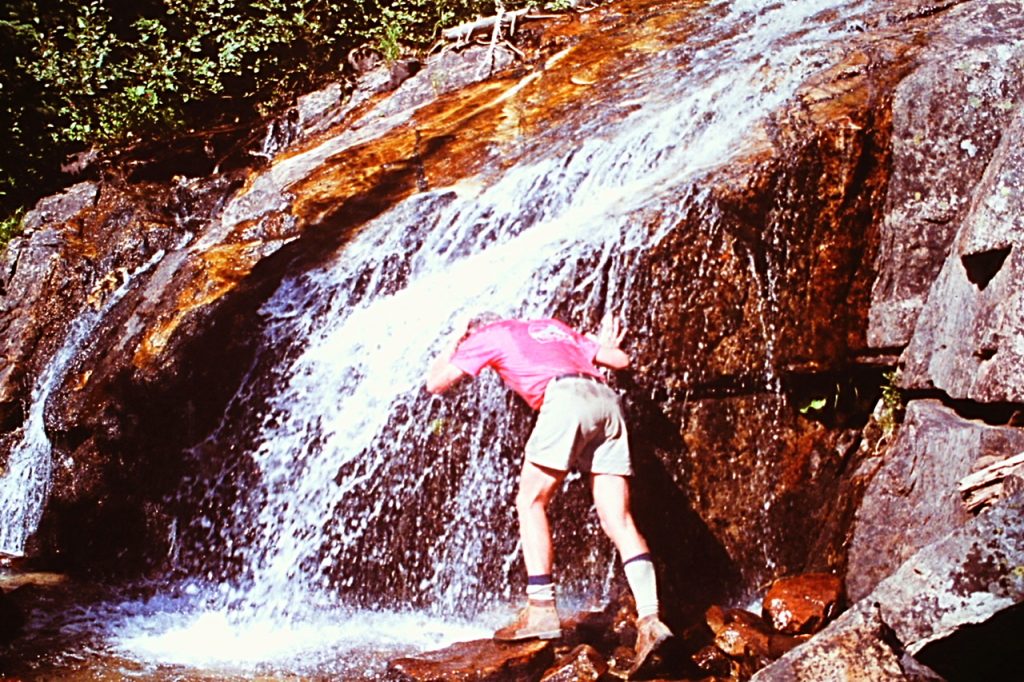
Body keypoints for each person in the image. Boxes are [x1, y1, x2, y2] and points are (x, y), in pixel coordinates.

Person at [425, 312, 673, 676]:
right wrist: (604, 345)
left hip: (565, 398)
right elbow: (620, 361)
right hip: (605, 399)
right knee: (619, 519)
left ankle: (541, 608)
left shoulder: (489, 334)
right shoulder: (554, 329)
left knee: (531, 500)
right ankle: (651, 619)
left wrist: (454, 340)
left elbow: (436, 382)